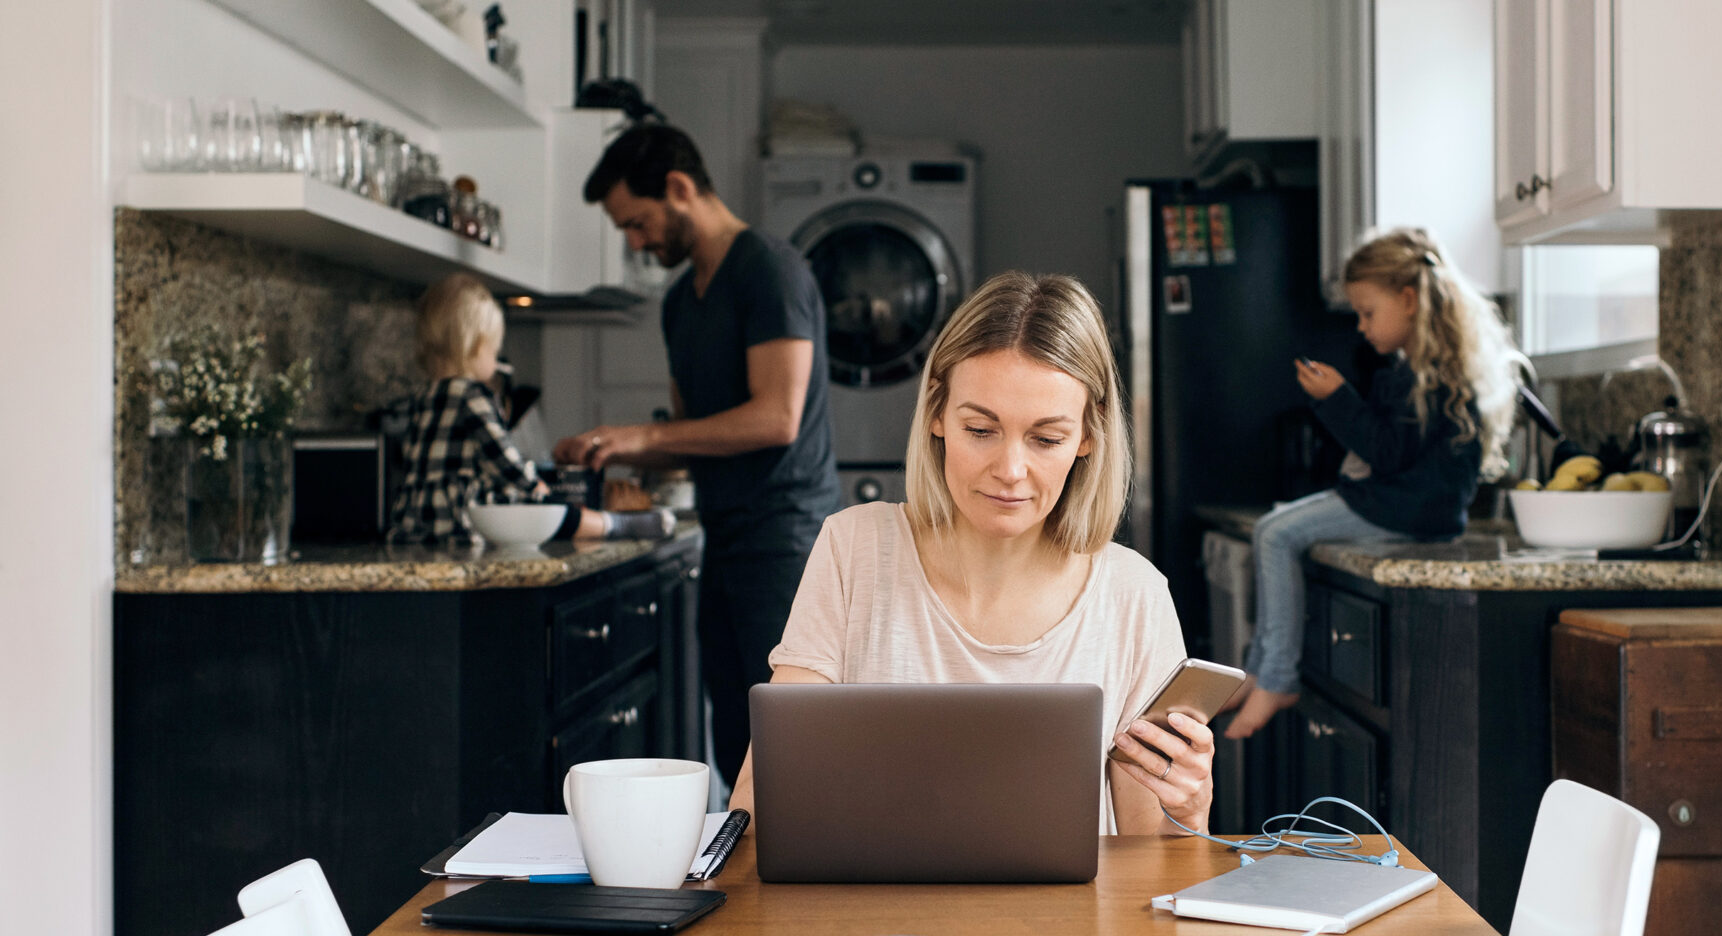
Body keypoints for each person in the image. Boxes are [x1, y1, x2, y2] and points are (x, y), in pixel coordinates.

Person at [729, 272, 1214, 836]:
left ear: (1089, 436)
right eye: (981, 429)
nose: (1009, 471)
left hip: (1069, 926)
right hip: (880, 921)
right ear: (937, 413)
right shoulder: (853, 549)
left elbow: (1149, 862)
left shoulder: (1135, 595)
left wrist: (1188, 811)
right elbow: (760, 805)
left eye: (1046, 439)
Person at [554, 124, 838, 786]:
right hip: (725, 537)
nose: (634, 241)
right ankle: (748, 884)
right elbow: (694, 434)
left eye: (638, 221)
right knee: (736, 734)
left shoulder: (769, 269)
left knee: (789, 742)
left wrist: (641, 436)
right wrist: (609, 447)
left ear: (679, 189)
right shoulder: (681, 301)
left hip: (786, 542)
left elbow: (776, 417)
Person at [1225, 228, 1523, 739]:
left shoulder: (1418, 376)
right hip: (1417, 512)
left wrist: (1338, 397)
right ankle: (1261, 668)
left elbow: (1385, 453)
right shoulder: (1440, 371)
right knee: (1278, 527)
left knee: (1275, 533)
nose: (1361, 327)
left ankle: (1274, 676)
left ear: (1409, 300)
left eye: (1367, 311)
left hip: (1399, 509)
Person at [388, 273, 670, 545]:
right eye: (494, 352)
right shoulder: (472, 395)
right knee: (550, 510)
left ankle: (612, 523)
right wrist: (534, 485)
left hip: (416, 522)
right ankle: (615, 525)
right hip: (464, 520)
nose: (496, 361)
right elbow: (502, 458)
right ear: (475, 348)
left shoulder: (422, 395)